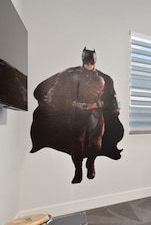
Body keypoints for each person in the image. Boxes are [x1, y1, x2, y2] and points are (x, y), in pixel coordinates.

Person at [30, 48, 123, 183]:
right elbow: (54, 93)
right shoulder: (69, 74)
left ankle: (90, 162)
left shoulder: (104, 78)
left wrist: (112, 108)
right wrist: (65, 103)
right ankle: (78, 169)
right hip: (77, 112)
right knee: (77, 144)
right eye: (87, 61)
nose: (89, 64)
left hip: (95, 112)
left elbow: (112, 98)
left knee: (96, 143)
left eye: (91, 61)